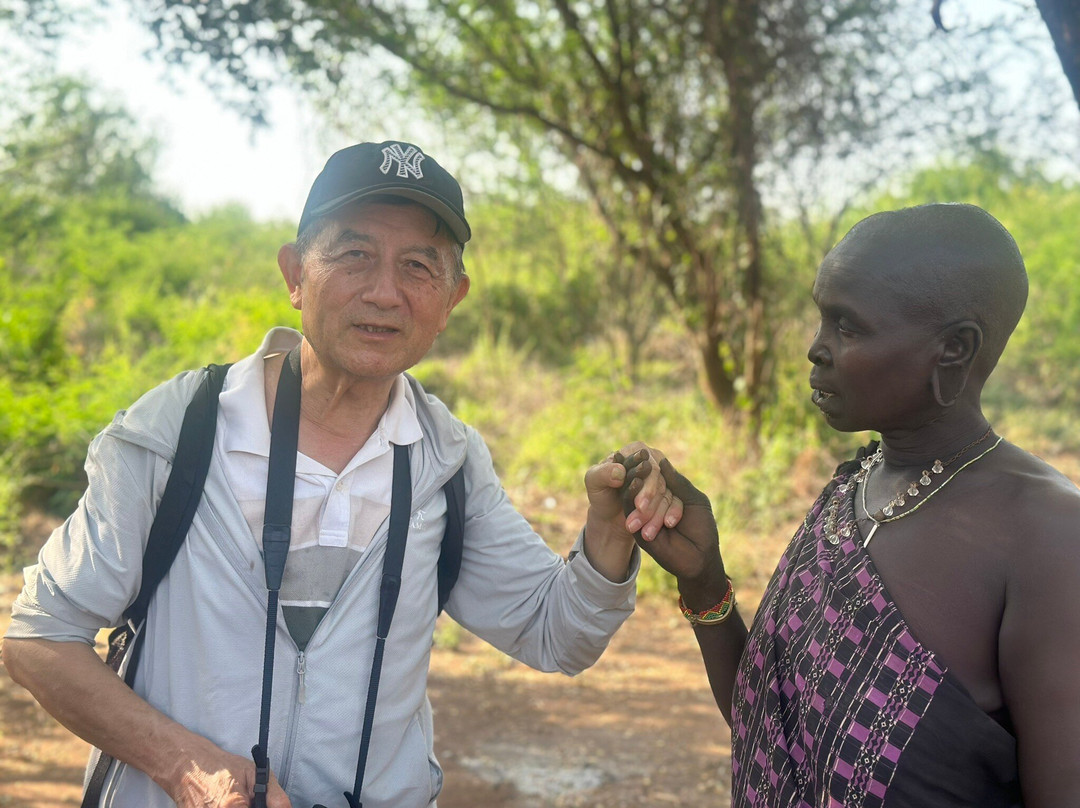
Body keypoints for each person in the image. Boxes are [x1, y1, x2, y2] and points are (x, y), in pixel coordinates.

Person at [2, 140, 678, 808]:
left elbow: (554, 632)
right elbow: (39, 637)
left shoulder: (446, 460)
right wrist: (187, 769)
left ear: (452, 300)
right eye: (354, 254)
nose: (384, 291)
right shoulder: (181, 431)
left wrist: (608, 531)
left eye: (419, 265)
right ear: (294, 274)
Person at [619, 203, 1080, 807]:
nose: (816, 348)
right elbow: (773, 736)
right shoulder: (853, 489)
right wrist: (705, 585)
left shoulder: (1049, 538)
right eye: (821, 320)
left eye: (848, 326)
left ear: (954, 351)